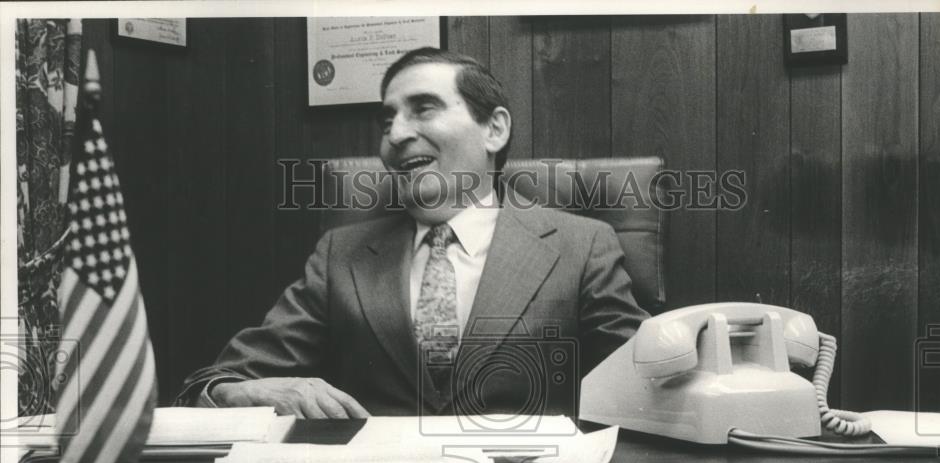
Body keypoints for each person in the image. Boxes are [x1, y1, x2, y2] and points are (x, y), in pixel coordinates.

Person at [177, 48, 647, 418]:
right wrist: (245, 393)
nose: (396, 135)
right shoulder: (341, 253)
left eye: (423, 109)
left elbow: (645, 390)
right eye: (387, 120)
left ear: (494, 129)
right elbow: (217, 382)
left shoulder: (582, 246)